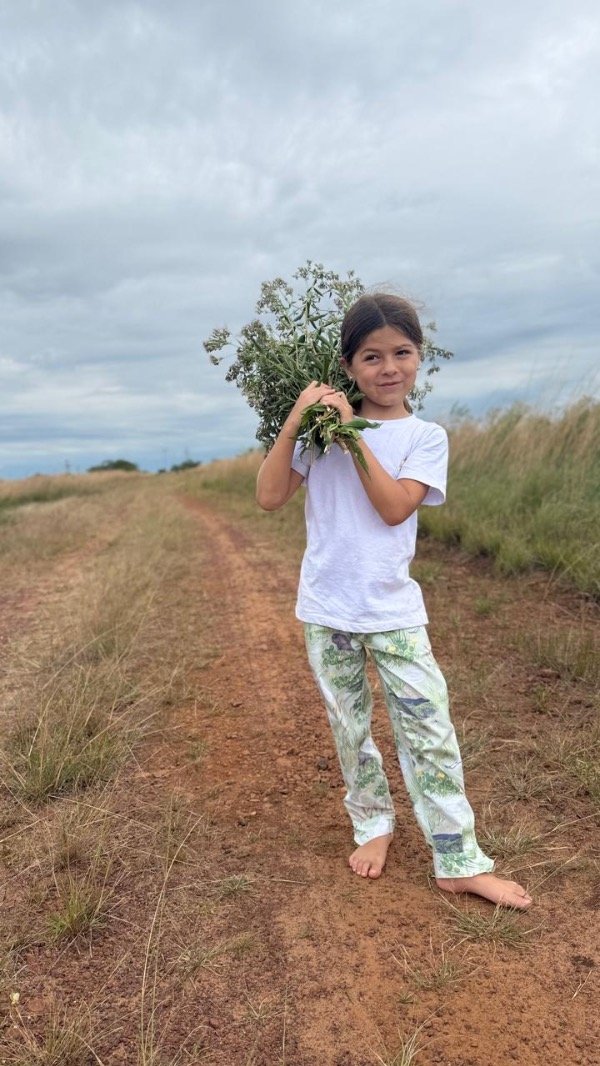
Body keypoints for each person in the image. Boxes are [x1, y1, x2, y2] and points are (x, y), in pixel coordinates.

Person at [256, 293, 532, 910]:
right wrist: (298, 419)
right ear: (348, 367)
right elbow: (270, 496)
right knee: (350, 730)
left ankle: (458, 859)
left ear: (419, 358)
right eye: (371, 356)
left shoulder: (425, 437)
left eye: (401, 353)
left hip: (394, 611)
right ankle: (373, 824)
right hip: (327, 609)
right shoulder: (317, 436)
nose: (388, 368)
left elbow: (393, 507)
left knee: (429, 730)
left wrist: (351, 437)